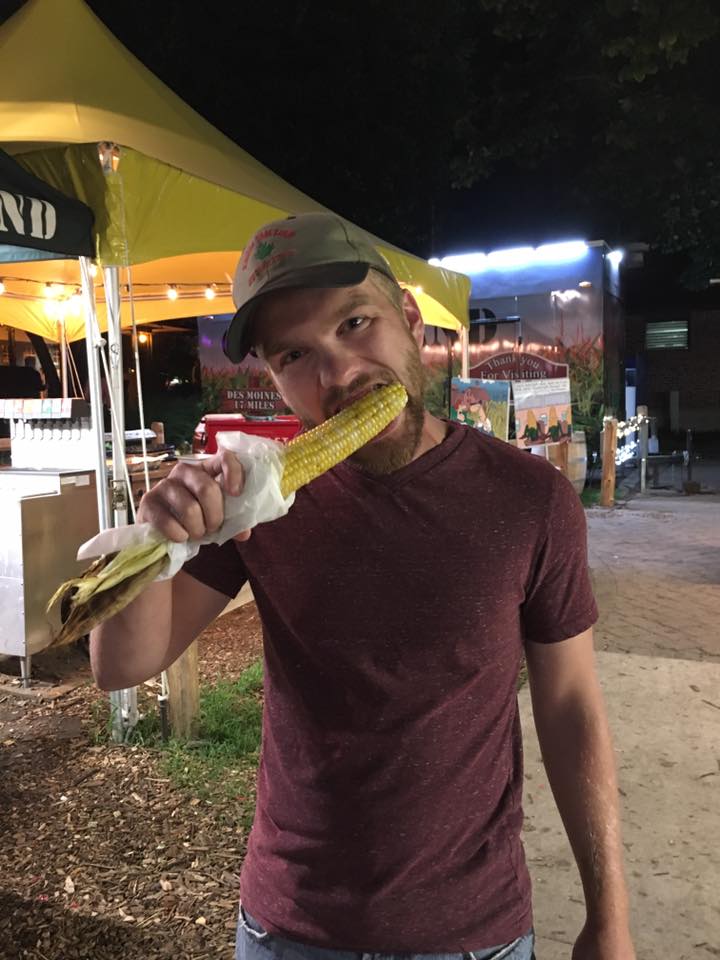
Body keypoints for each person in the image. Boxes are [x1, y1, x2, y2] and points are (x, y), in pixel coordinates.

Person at [90, 213, 635, 960]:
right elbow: (120, 665)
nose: (341, 375)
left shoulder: (529, 498)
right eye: (295, 355)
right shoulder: (255, 498)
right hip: (292, 930)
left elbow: (571, 705)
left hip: (475, 933)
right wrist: (156, 539)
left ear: (409, 319)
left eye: (356, 323)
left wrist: (610, 919)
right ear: (272, 378)